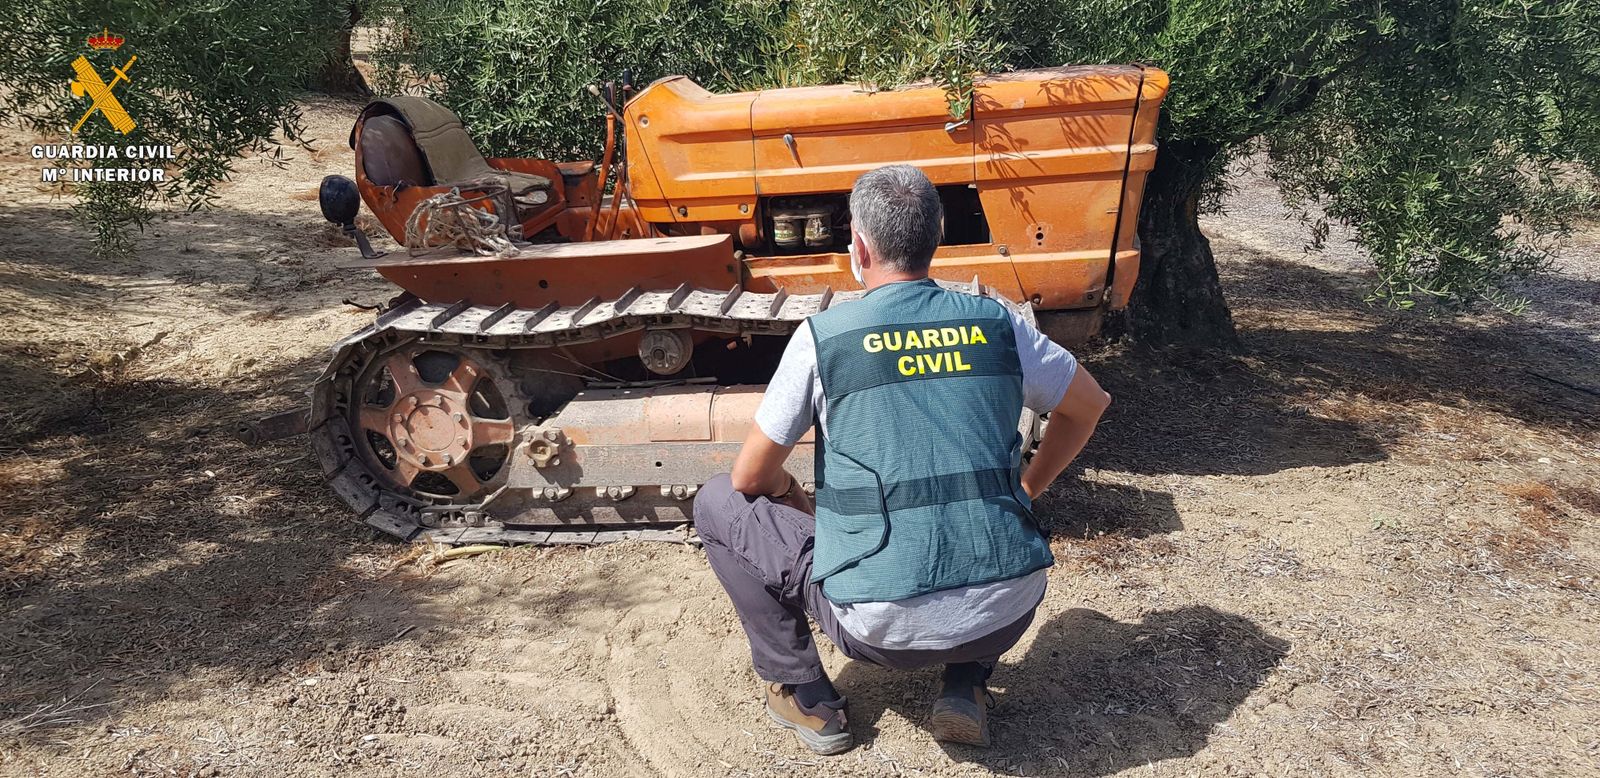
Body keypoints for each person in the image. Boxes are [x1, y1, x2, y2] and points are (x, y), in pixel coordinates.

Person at [692, 164, 1112, 755]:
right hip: (1008, 612)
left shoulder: (823, 337)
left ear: (859, 246)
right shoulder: (998, 324)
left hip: (878, 634)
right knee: (975, 525)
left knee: (716, 502)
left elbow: (749, 477)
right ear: (936, 236)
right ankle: (965, 682)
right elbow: (1089, 406)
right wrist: (1029, 488)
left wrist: (794, 496)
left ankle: (806, 695)